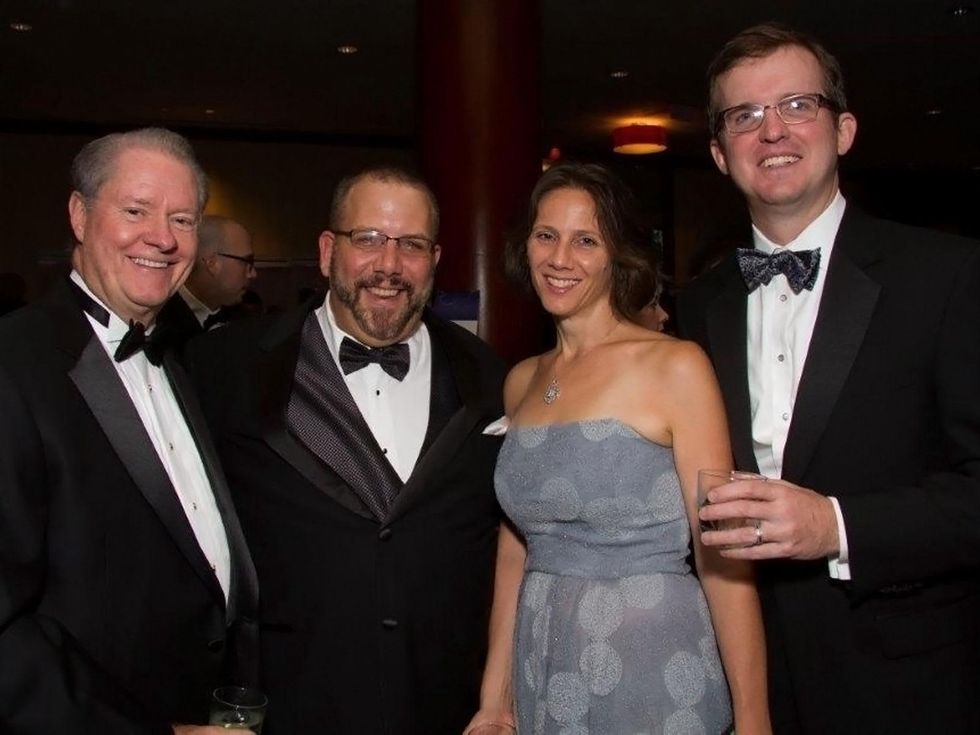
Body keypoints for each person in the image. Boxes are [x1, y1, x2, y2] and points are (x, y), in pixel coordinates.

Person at [677, 23, 980, 733]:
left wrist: (835, 524)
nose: (772, 130)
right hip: (747, 682)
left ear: (843, 130)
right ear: (720, 154)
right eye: (744, 115)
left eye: (797, 105)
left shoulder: (948, 276)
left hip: (906, 684)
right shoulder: (697, 306)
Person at [184, 166, 507, 734]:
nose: (390, 265)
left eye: (411, 244)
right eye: (369, 239)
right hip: (289, 706)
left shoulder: (490, 377)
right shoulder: (224, 367)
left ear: (434, 259)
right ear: (328, 250)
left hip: (442, 706)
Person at [466, 162, 769, 734]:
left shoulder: (675, 366)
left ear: (618, 256)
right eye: (546, 235)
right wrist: (494, 698)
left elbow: (721, 554)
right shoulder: (522, 380)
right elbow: (516, 549)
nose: (560, 259)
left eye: (586, 241)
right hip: (542, 656)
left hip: (651, 662)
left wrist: (755, 720)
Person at [0, 128, 258, 734]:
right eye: (136, 211)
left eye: (182, 219)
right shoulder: (14, 364)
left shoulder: (181, 360)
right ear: (79, 214)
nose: (163, 238)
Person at [157, 214, 257, 344]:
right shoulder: (157, 319)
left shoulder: (247, 322)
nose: (253, 274)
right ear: (212, 263)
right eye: (247, 262)